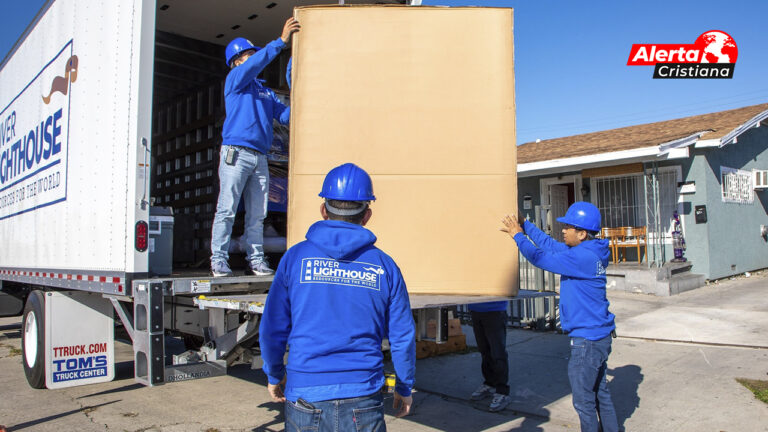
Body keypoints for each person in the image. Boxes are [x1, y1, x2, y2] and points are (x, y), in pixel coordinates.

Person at [259, 163, 416, 431]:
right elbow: (402, 335)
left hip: (306, 394)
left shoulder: (295, 259)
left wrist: (274, 373)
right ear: (367, 215)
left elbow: (273, 326)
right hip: (363, 395)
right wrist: (404, 385)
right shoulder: (384, 266)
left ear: (323, 210)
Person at [500, 202, 619, 432]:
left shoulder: (580, 258)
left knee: (584, 401)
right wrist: (525, 225)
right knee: (600, 395)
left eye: (568, 227)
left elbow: (540, 258)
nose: (563, 230)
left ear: (582, 233)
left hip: (587, 340)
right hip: (600, 336)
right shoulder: (590, 250)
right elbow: (548, 245)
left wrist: (517, 236)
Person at [210, 17, 300, 277]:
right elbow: (259, 62)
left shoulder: (264, 92)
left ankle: (257, 260)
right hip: (235, 154)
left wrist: (301, 93)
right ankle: (218, 260)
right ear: (237, 62)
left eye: (253, 54)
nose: (253, 58)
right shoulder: (235, 81)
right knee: (227, 209)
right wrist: (280, 43)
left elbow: (284, 117)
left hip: (259, 156)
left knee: (258, 213)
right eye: (248, 55)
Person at [467, 301, 511, 412]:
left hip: (494, 310)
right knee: (484, 351)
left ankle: (502, 391)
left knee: (498, 353)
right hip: (475, 309)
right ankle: (489, 383)